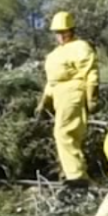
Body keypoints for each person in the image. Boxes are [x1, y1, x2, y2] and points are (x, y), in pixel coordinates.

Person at [36, 10, 99, 189]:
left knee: (64, 132)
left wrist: (92, 97)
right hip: (59, 96)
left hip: (74, 92)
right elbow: (52, 81)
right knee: (65, 134)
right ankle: (71, 174)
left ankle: (77, 177)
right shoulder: (55, 54)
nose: (61, 36)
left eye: (65, 31)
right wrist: (43, 103)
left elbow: (91, 72)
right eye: (58, 32)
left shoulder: (80, 46)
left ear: (72, 30)